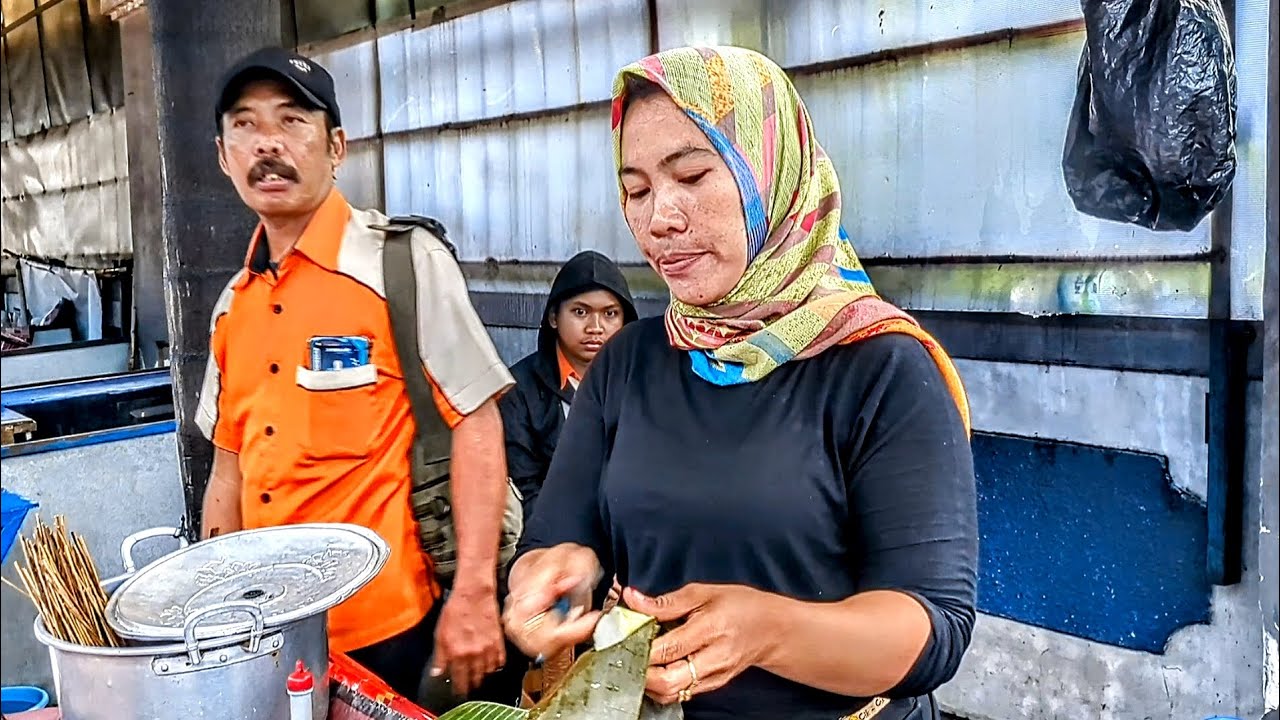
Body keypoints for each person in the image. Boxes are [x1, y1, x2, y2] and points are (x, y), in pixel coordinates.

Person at [501, 46, 978, 720]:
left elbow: (934, 628)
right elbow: (555, 537)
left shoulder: (881, 369)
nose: (658, 218)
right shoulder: (630, 363)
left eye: (692, 175)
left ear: (773, 173)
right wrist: (552, 579)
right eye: (636, 190)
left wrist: (768, 632)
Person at [195, 47, 512, 700]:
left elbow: (477, 424)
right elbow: (228, 472)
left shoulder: (401, 266)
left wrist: (476, 595)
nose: (268, 145)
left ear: (336, 147)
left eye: (292, 122)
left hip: (387, 632)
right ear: (225, 156)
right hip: (268, 638)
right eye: (246, 127)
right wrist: (212, 611)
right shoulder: (234, 306)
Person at [499, 250, 638, 522]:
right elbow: (524, 489)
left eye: (610, 314)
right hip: (553, 542)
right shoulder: (519, 392)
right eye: (580, 312)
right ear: (554, 317)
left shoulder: (643, 383)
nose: (595, 327)